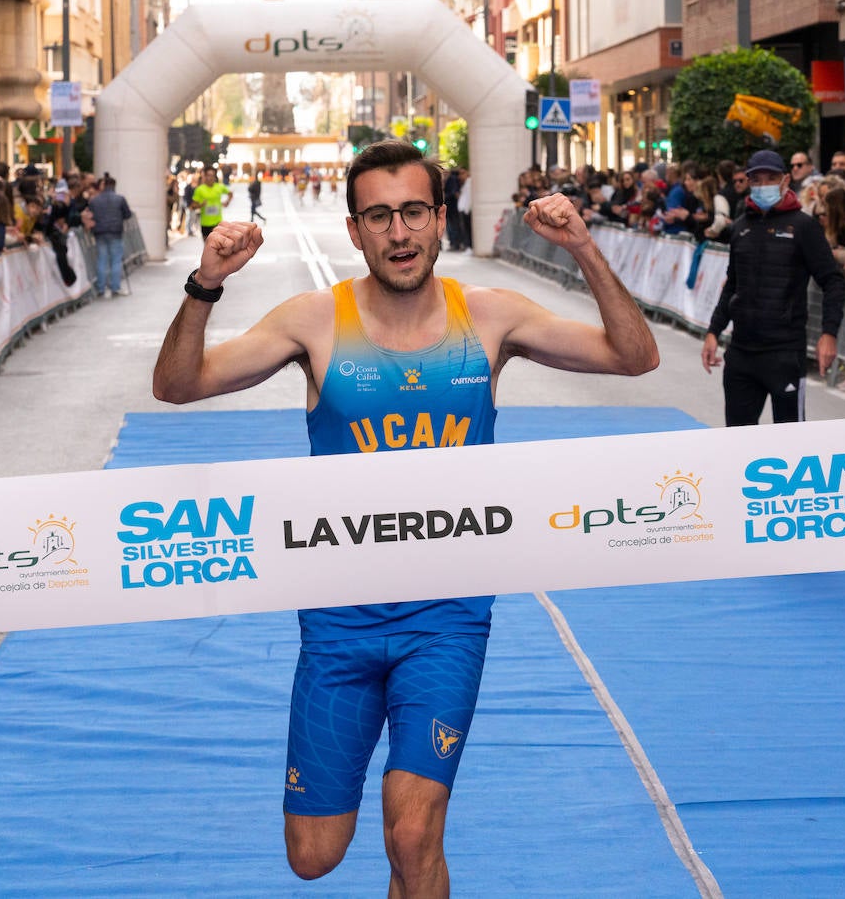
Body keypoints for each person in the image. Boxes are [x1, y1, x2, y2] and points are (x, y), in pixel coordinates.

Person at [151, 140, 658, 896]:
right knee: (313, 855)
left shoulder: (487, 317)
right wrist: (204, 284)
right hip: (339, 619)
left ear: (440, 220)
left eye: (414, 211)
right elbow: (179, 385)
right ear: (354, 231)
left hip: (447, 615)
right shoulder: (314, 320)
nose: (400, 232)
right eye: (380, 216)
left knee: (413, 829)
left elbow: (633, 356)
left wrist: (584, 247)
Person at [701, 149, 845, 426]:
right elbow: (733, 283)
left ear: (785, 180)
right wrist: (713, 331)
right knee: (737, 443)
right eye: (757, 179)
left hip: (785, 353)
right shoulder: (741, 226)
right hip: (741, 353)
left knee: (791, 446)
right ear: (748, 182)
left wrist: (829, 333)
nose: (763, 185)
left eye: (771, 178)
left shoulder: (804, 226)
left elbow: (833, 280)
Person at [87, 173, 133, 299]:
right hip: (115, 232)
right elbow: (128, 214)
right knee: (115, 261)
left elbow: (90, 214)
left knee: (102, 259)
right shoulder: (119, 198)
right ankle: (115, 287)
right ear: (113, 186)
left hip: (100, 232)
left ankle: (101, 288)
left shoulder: (95, 200)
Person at [189, 167, 231, 240]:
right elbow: (192, 206)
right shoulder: (199, 189)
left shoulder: (220, 187)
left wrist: (227, 202)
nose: (210, 178)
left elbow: (230, 194)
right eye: (208, 175)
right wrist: (201, 205)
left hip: (218, 222)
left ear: (215, 177)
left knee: (218, 245)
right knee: (207, 246)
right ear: (204, 176)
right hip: (205, 223)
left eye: (212, 175)